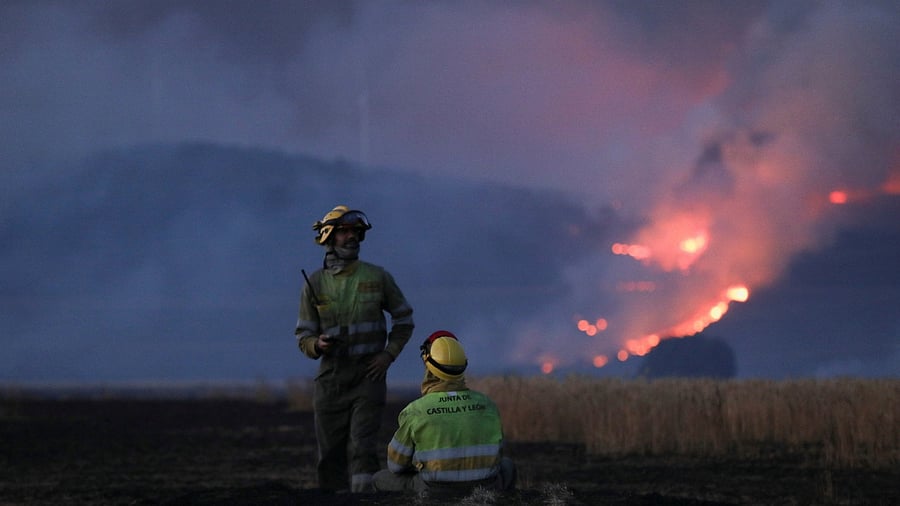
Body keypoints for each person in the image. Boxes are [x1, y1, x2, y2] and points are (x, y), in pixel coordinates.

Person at [295, 205, 415, 493]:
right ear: (329, 237)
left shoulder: (377, 277)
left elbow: (404, 319)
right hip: (331, 379)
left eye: (355, 232)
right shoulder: (315, 283)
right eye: (344, 232)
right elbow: (303, 335)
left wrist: (388, 355)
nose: (351, 238)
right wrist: (317, 344)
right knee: (331, 454)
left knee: (363, 448)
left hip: (368, 377)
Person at [373, 330, 516, 494]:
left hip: (435, 490)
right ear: (463, 365)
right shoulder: (488, 405)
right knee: (507, 466)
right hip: (485, 487)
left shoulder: (415, 411)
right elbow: (498, 454)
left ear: (429, 367)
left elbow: (395, 466)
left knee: (379, 478)